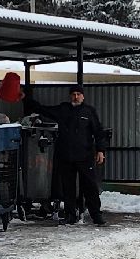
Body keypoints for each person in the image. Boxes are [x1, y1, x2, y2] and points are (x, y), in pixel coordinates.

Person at [21, 84, 111, 225]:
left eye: (78, 94)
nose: (76, 97)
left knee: (90, 186)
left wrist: (100, 150)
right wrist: (26, 99)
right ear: (70, 96)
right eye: (73, 94)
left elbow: (98, 132)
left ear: (83, 96)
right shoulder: (63, 109)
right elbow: (43, 109)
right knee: (68, 188)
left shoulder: (88, 112)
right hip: (66, 155)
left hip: (85, 156)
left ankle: (96, 215)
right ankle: (70, 215)